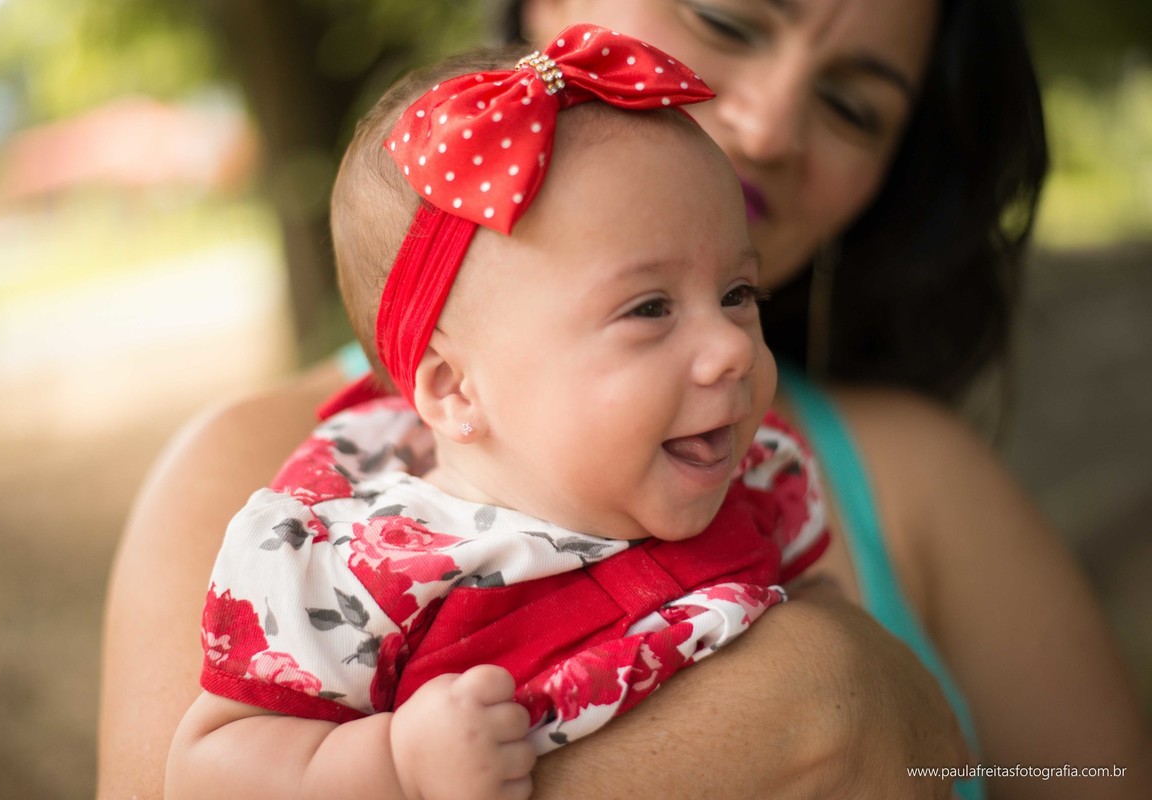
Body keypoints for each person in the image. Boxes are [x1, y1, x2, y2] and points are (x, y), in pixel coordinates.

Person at [99, 1, 1152, 798]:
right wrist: (391, 758)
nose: (771, 123)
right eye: (728, 17)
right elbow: (219, 765)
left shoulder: (796, 474)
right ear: (450, 389)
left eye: (852, 103)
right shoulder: (333, 541)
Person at [165, 28, 832, 799]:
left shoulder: (757, 474)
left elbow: (825, 644)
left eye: (737, 295)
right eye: (649, 308)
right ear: (455, 389)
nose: (731, 349)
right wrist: (394, 763)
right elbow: (204, 770)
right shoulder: (364, 571)